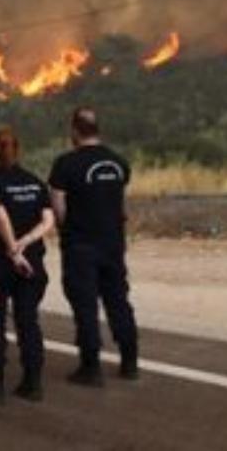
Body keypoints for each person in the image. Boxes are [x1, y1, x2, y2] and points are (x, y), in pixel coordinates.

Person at [49, 107, 139, 386]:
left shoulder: (65, 164)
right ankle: (130, 362)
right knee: (118, 300)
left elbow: (58, 207)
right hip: (112, 244)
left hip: (80, 245)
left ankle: (91, 367)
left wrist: (67, 230)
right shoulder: (118, 163)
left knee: (85, 305)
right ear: (98, 129)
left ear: (75, 131)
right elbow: (119, 202)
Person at [0, 127, 56, 405]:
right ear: (18, 149)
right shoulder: (35, 182)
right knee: (28, 321)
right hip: (32, 263)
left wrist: (12, 250)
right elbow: (48, 221)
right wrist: (26, 243)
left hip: (0, 263)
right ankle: (33, 383)